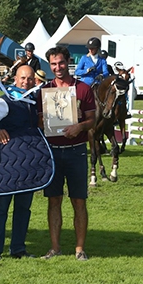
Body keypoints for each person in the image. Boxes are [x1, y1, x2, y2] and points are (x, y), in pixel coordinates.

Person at [36, 46, 95, 261]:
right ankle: (55, 247)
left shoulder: (83, 89)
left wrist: (80, 126)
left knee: (79, 201)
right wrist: (44, 122)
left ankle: (80, 249)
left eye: (61, 63)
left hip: (76, 152)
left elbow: (92, 120)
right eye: (53, 64)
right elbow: (39, 121)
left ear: (68, 62)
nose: (57, 67)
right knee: (53, 200)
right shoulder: (45, 90)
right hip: (52, 153)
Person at [0, 65, 40, 261]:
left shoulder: (33, 101)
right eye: (23, 78)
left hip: (28, 162)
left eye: (30, 79)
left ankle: (18, 249)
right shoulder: (4, 102)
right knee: (1, 207)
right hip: (7, 163)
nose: (26, 82)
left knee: (24, 207)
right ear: (15, 79)